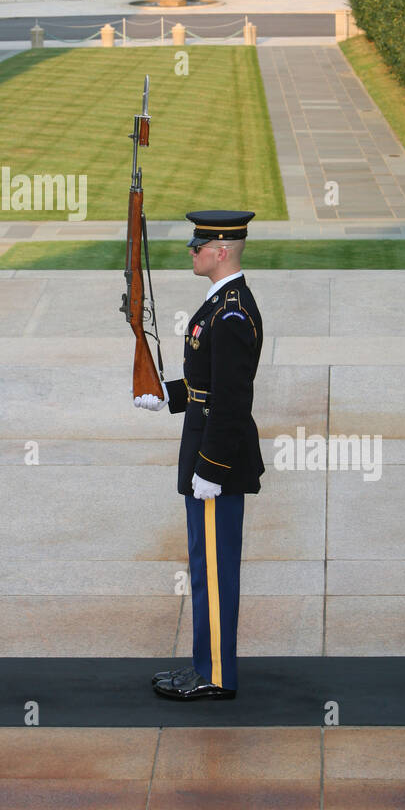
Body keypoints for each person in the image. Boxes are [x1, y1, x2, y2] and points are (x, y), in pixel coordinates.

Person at [134, 210, 264, 701]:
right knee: (204, 566)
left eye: (198, 244)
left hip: (218, 463)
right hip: (208, 455)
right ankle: (205, 665)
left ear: (222, 250)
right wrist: (167, 395)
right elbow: (206, 385)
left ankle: (215, 676)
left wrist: (210, 470)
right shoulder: (218, 305)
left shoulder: (230, 313)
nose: (191, 251)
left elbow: (232, 400)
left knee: (213, 569)